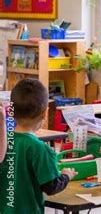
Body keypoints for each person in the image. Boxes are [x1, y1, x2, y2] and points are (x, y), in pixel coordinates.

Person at [0, 78, 77, 214]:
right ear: (45, 113)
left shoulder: (3, 143)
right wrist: (66, 176)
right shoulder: (39, 148)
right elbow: (51, 187)